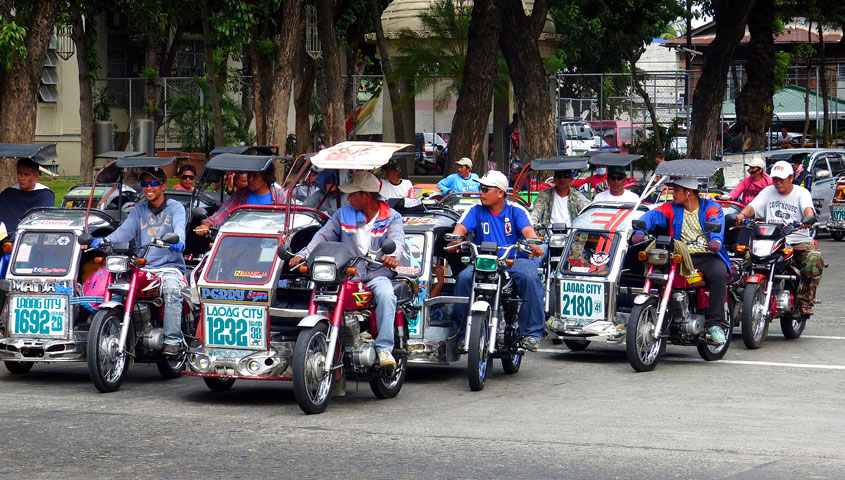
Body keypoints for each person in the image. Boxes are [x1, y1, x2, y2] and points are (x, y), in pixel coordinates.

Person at [289, 171, 405, 370]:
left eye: (352, 194)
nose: (348, 198)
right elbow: (322, 237)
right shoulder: (343, 214)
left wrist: (392, 258)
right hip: (349, 273)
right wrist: (303, 254)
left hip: (377, 273)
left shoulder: (392, 217)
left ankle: (384, 348)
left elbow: (397, 241)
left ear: (366, 195)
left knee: (386, 295)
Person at [447, 170, 546, 352]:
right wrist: (456, 239)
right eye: (480, 188)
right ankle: (462, 335)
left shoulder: (516, 210)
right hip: (483, 261)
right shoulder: (475, 210)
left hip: (514, 260)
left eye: (485, 189)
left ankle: (531, 333)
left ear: (500, 192)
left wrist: (534, 244)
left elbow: (528, 231)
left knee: (530, 277)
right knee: (463, 279)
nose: (480, 192)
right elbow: (460, 228)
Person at [92, 168, 187, 355]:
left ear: (163, 186)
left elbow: (179, 227)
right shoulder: (138, 210)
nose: (148, 188)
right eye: (144, 184)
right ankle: (117, 334)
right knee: (119, 289)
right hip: (144, 266)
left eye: (153, 184)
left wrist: (179, 241)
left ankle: (172, 339)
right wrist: (104, 241)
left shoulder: (175, 207)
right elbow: (123, 232)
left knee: (172, 290)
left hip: (169, 267)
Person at [631, 176, 730, 344]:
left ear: (688, 192)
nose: (673, 194)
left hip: (705, 255)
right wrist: (640, 228)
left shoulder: (711, 207)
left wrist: (715, 240)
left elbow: (715, 221)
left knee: (719, 273)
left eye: (676, 190)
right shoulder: (671, 207)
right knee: (655, 269)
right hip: (680, 256)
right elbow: (653, 215)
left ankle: (715, 323)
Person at [735, 161, 823, 315]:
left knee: (814, 260)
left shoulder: (801, 193)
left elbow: (809, 211)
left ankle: (805, 300)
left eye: (781, 179)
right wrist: (741, 216)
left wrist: (807, 220)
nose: (777, 182)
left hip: (798, 241)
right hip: (770, 241)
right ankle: (742, 299)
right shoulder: (767, 191)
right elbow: (752, 207)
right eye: (775, 178)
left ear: (791, 178)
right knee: (746, 260)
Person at [197, 161, 286, 234]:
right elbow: (224, 213)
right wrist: (208, 224)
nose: (250, 179)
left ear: (266, 177)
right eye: (249, 175)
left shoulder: (281, 197)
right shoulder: (240, 195)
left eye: (255, 176)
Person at [0, 158, 55, 233]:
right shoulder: (8, 194)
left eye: (26, 175)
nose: (22, 178)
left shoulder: (45, 194)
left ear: (35, 176)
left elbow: (43, 219)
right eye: (19, 173)